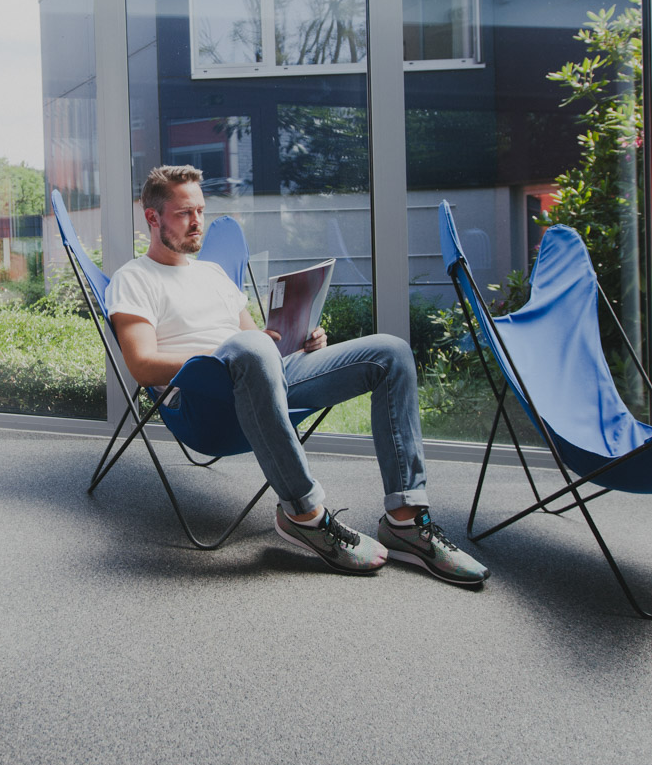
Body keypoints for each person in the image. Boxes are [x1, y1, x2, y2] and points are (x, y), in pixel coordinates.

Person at [105, 165, 489, 585]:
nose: (197, 222)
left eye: (200, 210)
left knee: (390, 353)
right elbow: (142, 365)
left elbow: (259, 342)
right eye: (184, 213)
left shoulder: (212, 274)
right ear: (153, 217)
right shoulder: (134, 279)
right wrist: (225, 355)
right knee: (249, 348)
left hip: (262, 379)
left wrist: (295, 338)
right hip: (205, 402)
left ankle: (406, 521)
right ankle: (304, 515)